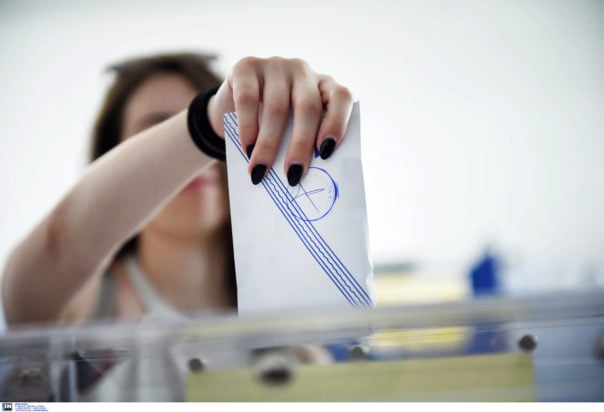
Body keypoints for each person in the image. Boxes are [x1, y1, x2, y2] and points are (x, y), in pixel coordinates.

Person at [1, 53, 354, 325]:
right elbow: (57, 248)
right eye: (158, 131)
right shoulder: (85, 308)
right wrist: (205, 124)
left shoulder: (289, 324)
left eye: (226, 134)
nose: (198, 160)